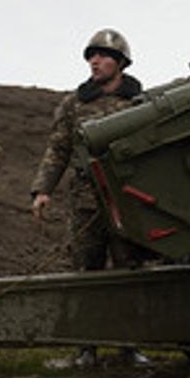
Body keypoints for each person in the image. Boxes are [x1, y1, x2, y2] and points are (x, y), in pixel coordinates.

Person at [29, 28, 145, 271]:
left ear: (120, 62)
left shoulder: (139, 103)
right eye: (92, 56)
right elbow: (58, 149)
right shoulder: (74, 104)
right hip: (86, 200)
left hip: (128, 197)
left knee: (131, 266)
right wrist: (42, 190)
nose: (95, 61)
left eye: (103, 56)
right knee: (84, 267)